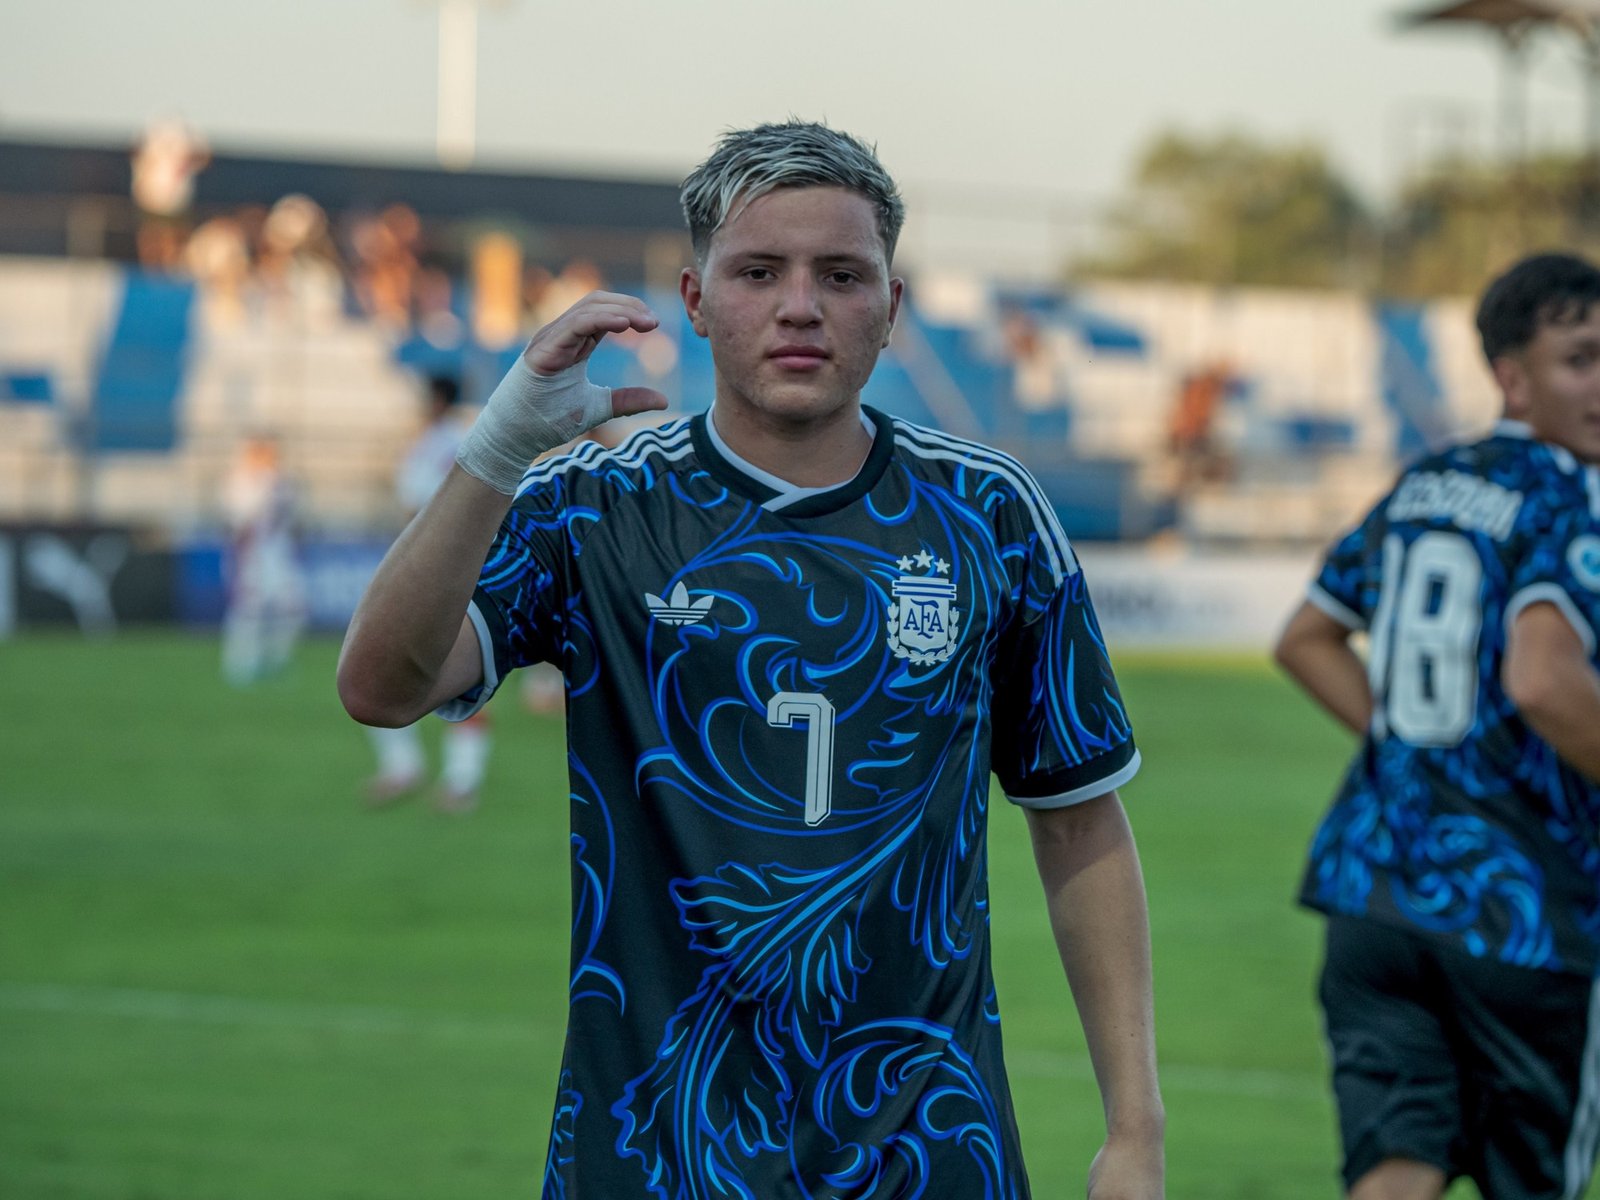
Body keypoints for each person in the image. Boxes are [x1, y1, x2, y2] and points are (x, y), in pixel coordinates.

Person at [338, 120, 1164, 1198]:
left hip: (926, 1153)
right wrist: (495, 451)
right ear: (693, 299)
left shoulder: (987, 516)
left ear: (892, 307)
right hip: (651, 1149)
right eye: (759, 271)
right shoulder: (595, 508)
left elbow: (1078, 819)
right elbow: (381, 685)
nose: (800, 304)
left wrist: (1134, 1130)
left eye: (841, 274)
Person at [1274, 251, 1600, 1200]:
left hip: (1374, 891)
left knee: (1396, 1170)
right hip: (1522, 905)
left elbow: (1306, 638)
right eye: (1580, 359)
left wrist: (1419, 748)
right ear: (1512, 376)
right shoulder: (1570, 494)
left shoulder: (1429, 481)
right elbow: (1544, 681)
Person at [363, 374, 493, 813]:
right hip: (423, 569)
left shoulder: (448, 441)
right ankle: (413, 770)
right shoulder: (447, 438)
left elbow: (427, 505)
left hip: (444, 572)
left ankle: (459, 782)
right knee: (379, 666)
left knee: (459, 674)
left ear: (437, 399)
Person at [220, 432, 305, 685]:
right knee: (248, 610)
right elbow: (239, 525)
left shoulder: (281, 481)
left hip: (278, 553)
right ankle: (241, 664)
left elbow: (292, 520)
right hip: (253, 554)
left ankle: (275, 661)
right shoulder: (240, 482)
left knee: (292, 609)